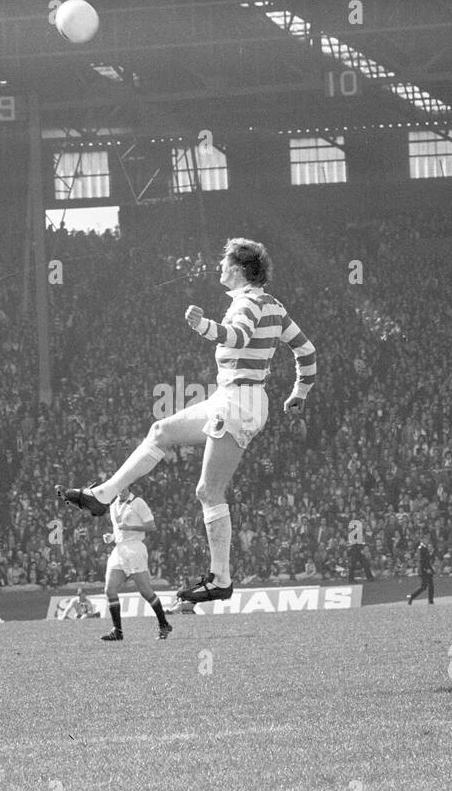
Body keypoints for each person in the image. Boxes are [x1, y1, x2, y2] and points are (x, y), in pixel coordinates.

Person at [57, 238, 316, 609]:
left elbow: (237, 336)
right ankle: (104, 495)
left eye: (224, 263)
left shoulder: (246, 302)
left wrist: (204, 326)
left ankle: (220, 579)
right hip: (234, 397)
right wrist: (299, 393)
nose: (220, 268)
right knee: (161, 431)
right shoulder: (273, 305)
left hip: (238, 401)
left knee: (208, 492)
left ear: (240, 269)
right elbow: (306, 351)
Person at [98, 486, 172, 641]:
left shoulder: (138, 502)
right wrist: (111, 537)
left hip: (135, 548)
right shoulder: (113, 506)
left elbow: (152, 526)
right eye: (117, 486)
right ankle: (117, 631)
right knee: (109, 590)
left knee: (145, 590)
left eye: (122, 485)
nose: (119, 489)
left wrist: (130, 527)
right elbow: (119, 531)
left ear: (128, 486)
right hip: (119, 550)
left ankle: (164, 624)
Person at [406, 537, 434, 605]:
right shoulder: (420, 548)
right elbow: (421, 560)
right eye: (426, 539)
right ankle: (412, 596)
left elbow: (427, 559)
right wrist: (426, 569)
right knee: (423, 586)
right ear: (422, 540)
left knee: (431, 586)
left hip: (427, 570)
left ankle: (430, 601)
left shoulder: (424, 548)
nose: (427, 540)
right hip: (424, 570)